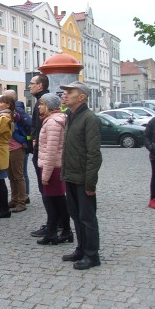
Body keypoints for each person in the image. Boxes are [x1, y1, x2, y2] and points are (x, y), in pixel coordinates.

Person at [60, 81, 103, 270]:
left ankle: (92, 255)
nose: (65, 94)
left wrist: (90, 183)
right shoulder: (70, 116)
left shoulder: (89, 118)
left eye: (70, 92)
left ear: (82, 97)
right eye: (65, 92)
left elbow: (94, 154)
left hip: (82, 178)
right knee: (76, 216)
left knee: (87, 218)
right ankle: (81, 248)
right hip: (70, 175)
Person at [36, 94, 73, 245]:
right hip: (54, 166)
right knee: (58, 200)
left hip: (52, 167)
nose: (39, 107)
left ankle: (53, 232)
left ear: (50, 106)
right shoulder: (54, 120)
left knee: (53, 201)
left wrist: (45, 175)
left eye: (42, 104)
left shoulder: (52, 123)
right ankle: (65, 231)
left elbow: (51, 151)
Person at [28, 73, 54, 238]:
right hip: (40, 151)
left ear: (41, 86)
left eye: (32, 83)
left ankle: (53, 223)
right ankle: (53, 221)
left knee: (47, 190)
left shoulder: (43, 102)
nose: (29, 86)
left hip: (43, 154)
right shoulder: (40, 101)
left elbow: (40, 130)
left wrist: (35, 144)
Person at [4, 89, 32, 206]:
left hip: (17, 147)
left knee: (19, 175)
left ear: (9, 103)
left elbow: (28, 125)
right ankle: (14, 199)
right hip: (9, 148)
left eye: (2, 101)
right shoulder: (4, 114)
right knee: (11, 176)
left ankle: (22, 200)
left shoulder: (17, 113)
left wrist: (24, 139)